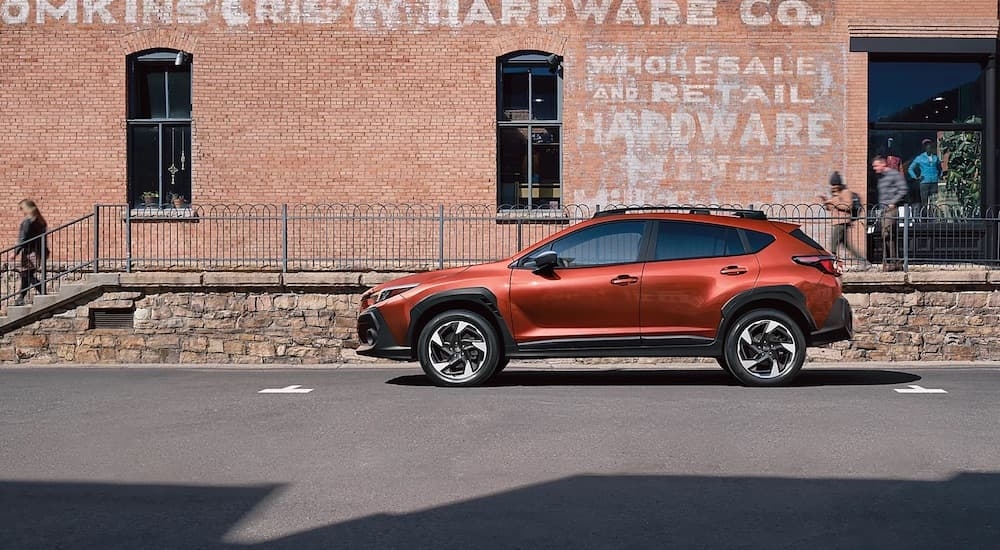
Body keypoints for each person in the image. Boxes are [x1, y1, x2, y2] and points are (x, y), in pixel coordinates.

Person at [820, 172, 868, 268]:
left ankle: (831, 265)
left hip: (842, 222)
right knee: (848, 246)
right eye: (832, 186)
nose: (833, 188)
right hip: (837, 222)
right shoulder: (835, 194)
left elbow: (847, 206)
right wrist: (826, 202)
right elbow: (832, 208)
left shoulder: (845, 192)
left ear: (839, 184)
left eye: (835, 185)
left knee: (832, 245)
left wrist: (834, 201)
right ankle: (864, 262)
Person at [873, 156, 909, 272]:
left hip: (891, 210)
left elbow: (903, 189)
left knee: (888, 235)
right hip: (883, 210)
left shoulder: (894, 175)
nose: (874, 168)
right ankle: (890, 263)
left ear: (883, 164)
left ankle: (893, 262)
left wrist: (894, 202)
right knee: (886, 237)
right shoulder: (881, 178)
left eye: (876, 166)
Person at [9, 199, 48, 306]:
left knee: (27, 274)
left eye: (21, 209)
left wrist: (15, 252)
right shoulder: (40, 221)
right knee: (26, 275)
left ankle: (42, 290)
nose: (21, 211)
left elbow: (23, 238)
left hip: (30, 252)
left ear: (26, 208)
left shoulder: (28, 222)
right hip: (39, 251)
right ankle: (21, 298)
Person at [907, 138, 942, 210]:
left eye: (929, 145)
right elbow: (910, 169)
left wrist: (939, 176)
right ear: (924, 147)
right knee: (924, 202)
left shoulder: (935, 157)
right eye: (926, 145)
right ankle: (925, 219)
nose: (928, 147)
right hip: (924, 182)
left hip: (934, 181)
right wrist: (916, 177)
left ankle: (933, 218)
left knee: (934, 201)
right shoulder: (920, 158)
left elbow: (939, 168)